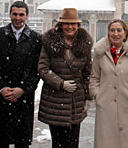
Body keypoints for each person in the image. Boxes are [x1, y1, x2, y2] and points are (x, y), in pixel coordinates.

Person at [0, 1, 42, 148]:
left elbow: (37, 69)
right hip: (0, 97)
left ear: (27, 16)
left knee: (21, 142)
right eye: (14, 14)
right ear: (9, 14)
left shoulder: (36, 39)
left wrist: (22, 89)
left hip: (23, 98)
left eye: (21, 14)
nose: (17, 18)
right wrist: (1, 88)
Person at [38, 8, 93, 148]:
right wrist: (60, 83)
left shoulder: (84, 44)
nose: (70, 27)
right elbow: (43, 68)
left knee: (73, 142)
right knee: (58, 143)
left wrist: (87, 98)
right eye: (66, 23)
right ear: (60, 25)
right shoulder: (49, 42)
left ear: (78, 25)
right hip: (55, 101)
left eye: (73, 23)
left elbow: (87, 73)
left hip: (76, 101)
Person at [89, 19, 128, 148]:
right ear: (108, 33)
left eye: (119, 30)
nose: (115, 34)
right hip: (105, 108)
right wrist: (97, 95)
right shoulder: (100, 54)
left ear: (125, 33)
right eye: (112, 30)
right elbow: (94, 77)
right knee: (105, 142)